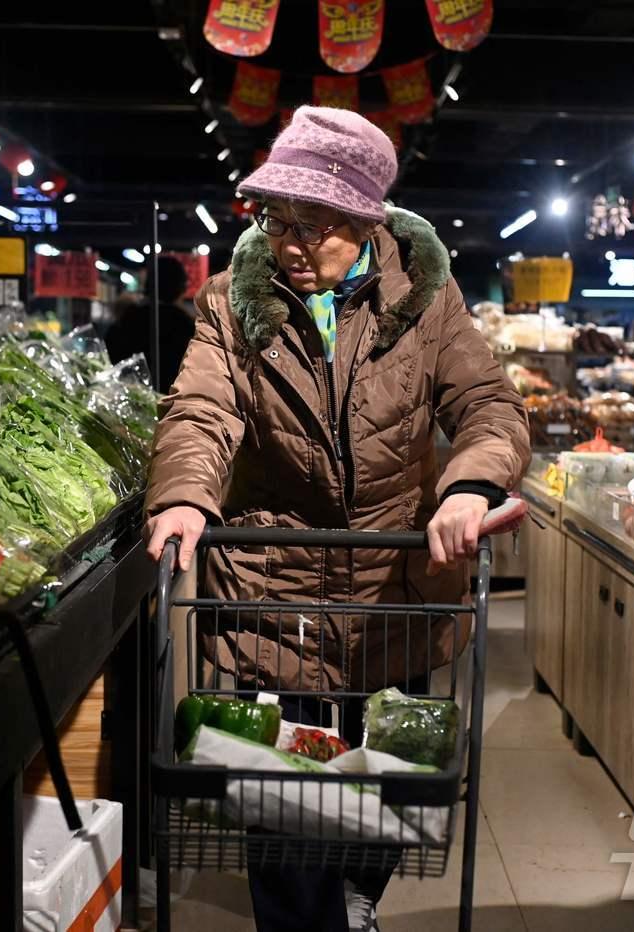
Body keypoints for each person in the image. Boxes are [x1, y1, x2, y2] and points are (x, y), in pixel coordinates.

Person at [144, 106, 529, 932]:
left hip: (393, 585)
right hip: (270, 586)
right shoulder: (230, 304)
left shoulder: (427, 301)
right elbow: (201, 410)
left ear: (363, 220)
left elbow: (489, 406)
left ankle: (356, 894)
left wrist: (469, 486)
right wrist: (183, 493)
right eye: (276, 219)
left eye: (311, 225)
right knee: (281, 799)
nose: (288, 240)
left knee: (386, 777)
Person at [104, 254, 196, 391]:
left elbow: (109, 357)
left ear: (147, 285)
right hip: (173, 403)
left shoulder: (127, 319)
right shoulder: (187, 326)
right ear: (181, 289)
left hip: (130, 401)